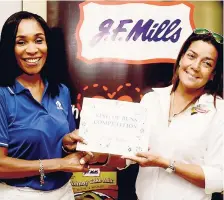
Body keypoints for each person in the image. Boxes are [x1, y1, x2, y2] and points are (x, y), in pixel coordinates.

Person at [82, 29, 224, 200]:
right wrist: (100, 155)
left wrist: (165, 163)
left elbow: (219, 179)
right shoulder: (152, 99)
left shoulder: (218, 111)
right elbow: (127, 158)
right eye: (191, 56)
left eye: (207, 63)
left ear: (212, 75)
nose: (195, 66)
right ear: (180, 59)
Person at [0, 11, 90, 200]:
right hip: (20, 194)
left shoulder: (61, 90)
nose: (32, 50)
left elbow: (61, 147)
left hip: (65, 192)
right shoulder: (3, 95)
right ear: (9, 47)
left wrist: (66, 144)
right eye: (21, 42)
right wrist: (60, 164)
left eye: (39, 40)